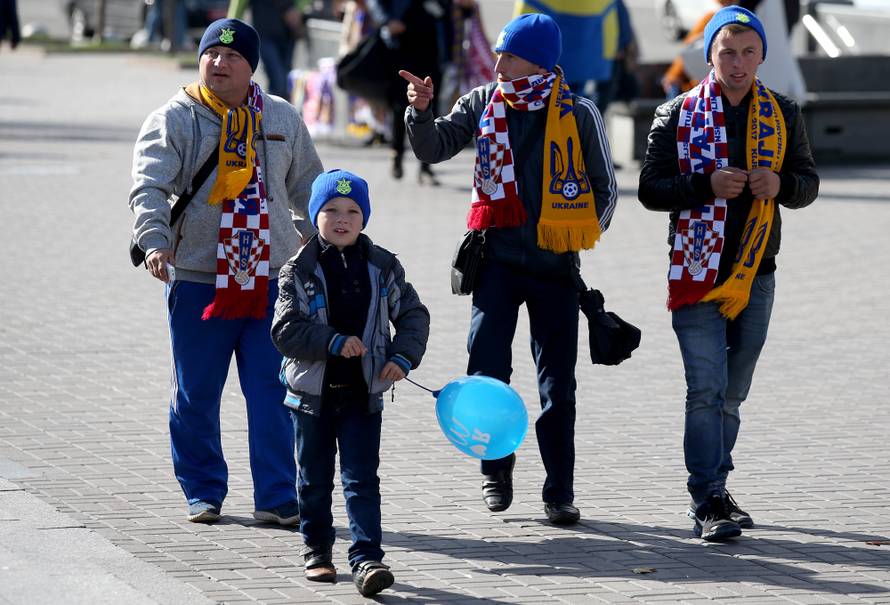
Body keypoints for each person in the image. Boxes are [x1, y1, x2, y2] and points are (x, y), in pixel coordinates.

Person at [401, 13, 618, 525]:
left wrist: (573, 236)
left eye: (510, 55)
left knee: (556, 385)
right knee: (486, 371)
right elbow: (434, 149)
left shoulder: (580, 110)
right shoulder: (481, 101)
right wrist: (420, 114)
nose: (497, 63)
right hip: (495, 263)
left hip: (554, 269)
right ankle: (496, 469)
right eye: (497, 52)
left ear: (539, 61)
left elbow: (604, 189)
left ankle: (559, 490)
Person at [129, 18, 324, 524]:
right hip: (199, 277)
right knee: (196, 391)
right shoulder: (175, 118)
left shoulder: (280, 116)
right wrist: (154, 242)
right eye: (212, 54)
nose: (219, 63)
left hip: (272, 278)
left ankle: (278, 497)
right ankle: (203, 490)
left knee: (274, 391)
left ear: (251, 66)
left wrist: (317, 237)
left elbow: (309, 185)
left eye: (232, 57)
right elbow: (148, 186)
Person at [638, 6, 818, 542]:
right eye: (727, 52)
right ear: (710, 55)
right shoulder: (676, 112)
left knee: (733, 393)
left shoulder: (782, 111)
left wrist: (780, 185)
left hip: (757, 272)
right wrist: (703, 185)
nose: (738, 63)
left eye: (748, 52)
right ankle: (707, 498)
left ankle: (716, 485)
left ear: (762, 55)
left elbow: (807, 182)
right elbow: (649, 188)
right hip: (697, 270)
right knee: (706, 390)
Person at [271, 169, 430, 596]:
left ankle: (366, 558)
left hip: (363, 393)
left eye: (353, 211)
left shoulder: (382, 265)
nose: (342, 219)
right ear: (314, 215)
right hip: (311, 396)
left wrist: (402, 357)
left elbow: (413, 315)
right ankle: (317, 551)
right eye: (331, 210)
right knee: (314, 478)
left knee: (362, 478)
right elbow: (285, 331)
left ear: (365, 218)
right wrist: (334, 341)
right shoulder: (297, 270)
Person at [367, 0, 448, 184]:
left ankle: (426, 165)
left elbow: (450, 9)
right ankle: (397, 154)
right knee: (400, 104)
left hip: (433, 46)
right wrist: (386, 20)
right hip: (402, 45)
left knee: (429, 102)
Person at [661, 0, 738, 99]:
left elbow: (688, 50)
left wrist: (673, 76)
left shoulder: (713, 18)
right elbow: (689, 50)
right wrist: (673, 75)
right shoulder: (712, 17)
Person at [250, 0, 304, 99]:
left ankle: (280, 111)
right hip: (264, 34)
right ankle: (270, 110)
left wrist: (298, 11)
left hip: (287, 33)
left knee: (287, 81)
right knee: (278, 80)